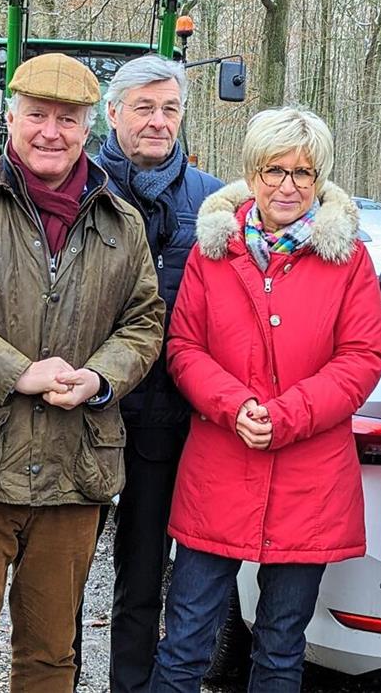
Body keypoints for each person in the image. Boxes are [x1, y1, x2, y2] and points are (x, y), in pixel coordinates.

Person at [0, 52, 165, 692]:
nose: (52, 131)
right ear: (10, 118)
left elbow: (145, 322)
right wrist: (19, 371)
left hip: (74, 470)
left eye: (67, 119)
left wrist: (100, 378)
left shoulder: (120, 222)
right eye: (38, 116)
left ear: (88, 128)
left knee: (51, 657)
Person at [148, 107, 381, 692]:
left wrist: (284, 416)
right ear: (252, 173)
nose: (288, 185)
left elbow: (362, 357)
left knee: (281, 648)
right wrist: (234, 406)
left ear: (320, 179)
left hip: (309, 475)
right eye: (274, 170)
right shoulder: (213, 254)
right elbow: (183, 347)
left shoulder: (349, 260)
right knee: (184, 644)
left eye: (303, 173)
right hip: (220, 466)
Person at [84, 54, 222, 693]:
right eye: (143, 107)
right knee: (60, 577)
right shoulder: (77, 188)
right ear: (112, 114)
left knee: (142, 578)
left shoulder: (214, 202)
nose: (158, 121)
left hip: (166, 421)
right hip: (78, 416)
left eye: (169, 108)